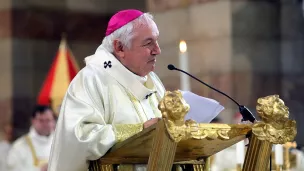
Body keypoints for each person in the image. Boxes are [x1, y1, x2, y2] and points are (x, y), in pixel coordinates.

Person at [47, 9, 165, 171]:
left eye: (156, 41)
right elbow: (80, 138)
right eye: (148, 43)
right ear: (120, 47)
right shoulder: (91, 80)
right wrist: (139, 131)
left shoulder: (154, 82)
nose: (157, 50)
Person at [6, 105, 56, 171]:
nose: (45, 124)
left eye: (48, 120)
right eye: (41, 120)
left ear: (54, 122)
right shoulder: (20, 146)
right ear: (33, 121)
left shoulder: (59, 143)